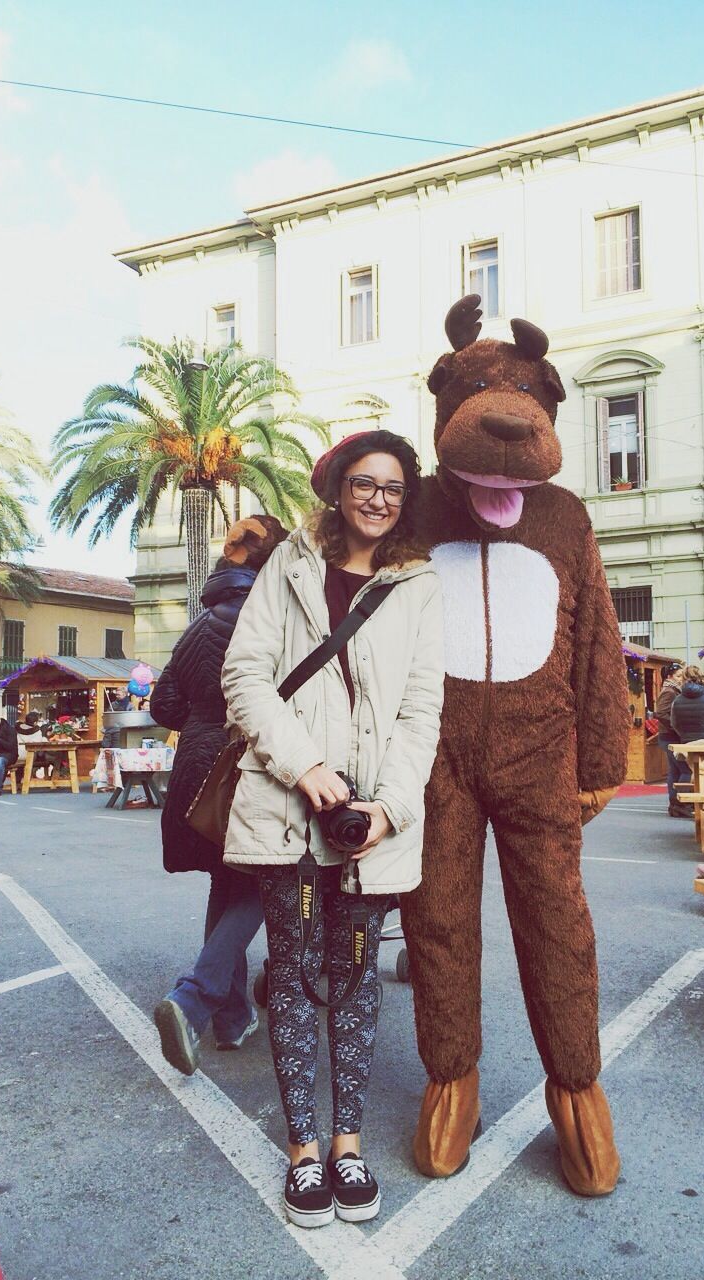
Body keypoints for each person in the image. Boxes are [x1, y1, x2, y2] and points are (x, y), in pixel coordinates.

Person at [220, 429, 444, 1229]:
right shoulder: (291, 564)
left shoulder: (420, 582)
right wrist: (305, 767)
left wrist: (391, 807)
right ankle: (303, 1152)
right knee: (291, 974)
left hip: (370, 823)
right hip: (289, 807)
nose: (377, 498)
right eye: (363, 483)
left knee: (352, 982)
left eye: (392, 485)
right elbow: (243, 674)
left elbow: (423, 710)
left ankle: (348, 1145)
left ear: (405, 496)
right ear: (338, 489)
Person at [152, 515, 288, 1077]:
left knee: (225, 880)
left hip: (192, 767)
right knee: (263, 878)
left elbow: (162, 706)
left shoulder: (197, 624)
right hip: (241, 766)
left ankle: (231, 1018)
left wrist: (203, 721)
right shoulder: (266, 618)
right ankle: (195, 999)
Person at [655, 661, 691, 817]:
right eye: (678, 676)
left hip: (668, 735)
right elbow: (661, 713)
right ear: (670, 676)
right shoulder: (669, 691)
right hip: (670, 736)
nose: (680, 679)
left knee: (675, 770)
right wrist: (676, 726)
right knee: (684, 769)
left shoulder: (673, 689)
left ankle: (675, 803)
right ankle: (680, 802)